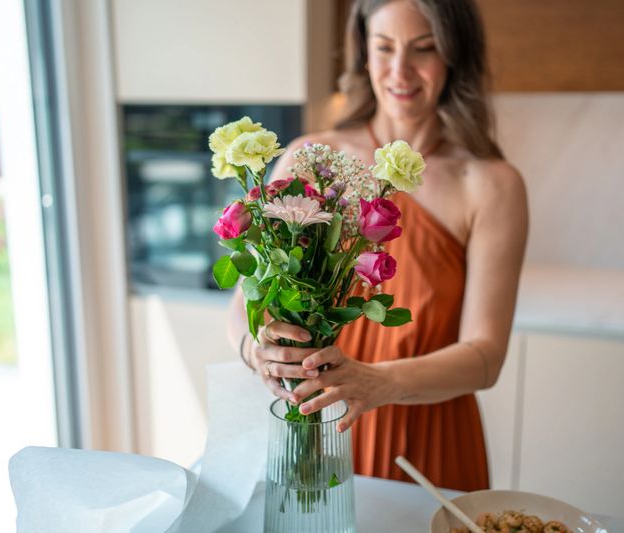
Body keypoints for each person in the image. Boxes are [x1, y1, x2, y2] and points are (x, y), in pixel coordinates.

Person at [226, 0, 528, 491]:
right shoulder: (310, 159)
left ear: (455, 55)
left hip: (430, 439)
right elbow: (243, 306)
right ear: (363, 54)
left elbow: (486, 356)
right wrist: (254, 350)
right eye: (384, 47)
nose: (400, 71)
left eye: (423, 49)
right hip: (313, 437)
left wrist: (379, 382)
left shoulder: (492, 184)